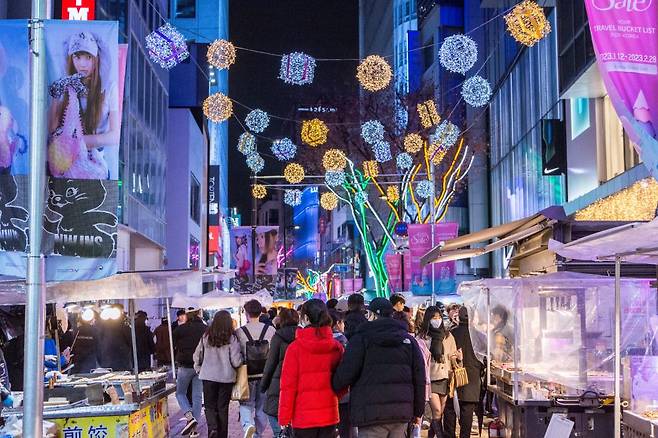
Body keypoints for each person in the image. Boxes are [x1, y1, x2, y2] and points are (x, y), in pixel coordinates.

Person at [332, 297, 426, 438]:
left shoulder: (361, 339)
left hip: (370, 412)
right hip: (401, 412)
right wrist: (418, 411)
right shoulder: (408, 340)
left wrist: (334, 385)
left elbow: (346, 373)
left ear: (372, 315)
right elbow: (419, 377)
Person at [47, 31, 119, 179]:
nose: (82, 64)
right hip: (63, 166)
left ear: (96, 59)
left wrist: (78, 143)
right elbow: (52, 128)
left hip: (96, 167)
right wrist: (56, 95)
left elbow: (114, 136)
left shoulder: (109, 88)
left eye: (88, 57)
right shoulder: (65, 84)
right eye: (77, 57)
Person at [279, 299, 344, 437]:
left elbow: (288, 387)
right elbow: (342, 382)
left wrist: (284, 417)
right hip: (329, 414)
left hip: (302, 417)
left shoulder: (295, 348)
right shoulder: (336, 347)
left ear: (306, 318)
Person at [193, 310, 243, 438]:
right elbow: (236, 361)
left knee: (209, 406)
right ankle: (222, 435)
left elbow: (197, 355)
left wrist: (199, 369)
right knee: (222, 408)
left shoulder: (206, 336)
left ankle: (213, 428)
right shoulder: (232, 338)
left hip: (208, 376)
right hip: (226, 378)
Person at [416, 305, 460, 438]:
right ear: (428, 319)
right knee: (436, 410)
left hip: (445, 377)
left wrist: (457, 357)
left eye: (439, 317)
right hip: (430, 378)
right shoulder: (422, 337)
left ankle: (431, 435)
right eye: (434, 317)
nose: (437, 320)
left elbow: (453, 354)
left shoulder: (447, 335)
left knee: (440, 413)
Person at [237, 299, 276, 438]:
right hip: (266, 375)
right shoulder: (270, 330)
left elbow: (236, 354)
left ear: (246, 313)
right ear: (260, 313)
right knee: (261, 407)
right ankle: (257, 434)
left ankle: (248, 425)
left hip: (247, 375)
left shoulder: (239, 332)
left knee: (246, 404)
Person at [260, 308, 299, 436]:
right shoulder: (303, 334)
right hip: (298, 381)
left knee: (275, 415)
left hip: (279, 382)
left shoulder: (278, 337)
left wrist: (263, 385)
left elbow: (270, 364)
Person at [451, 306, 484, 438]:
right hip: (473, 376)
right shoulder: (479, 335)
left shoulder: (452, 333)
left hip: (455, 375)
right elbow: (484, 357)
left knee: (451, 410)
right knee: (467, 410)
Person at [173, 308, 206, 436]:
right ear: (198, 314)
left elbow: (173, 344)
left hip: (184, 366)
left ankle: (189, 416)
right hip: (200, 367)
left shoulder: (180, 329)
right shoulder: (205, 329)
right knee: (197, 397)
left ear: (187, 315)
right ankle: (194, 430)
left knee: (180, 393)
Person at [328, 309, 354, 438]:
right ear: (338, 323)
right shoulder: (342, 341)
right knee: (346, 430)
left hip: (325, 394)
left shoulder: (320, 341)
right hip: (343, 394)